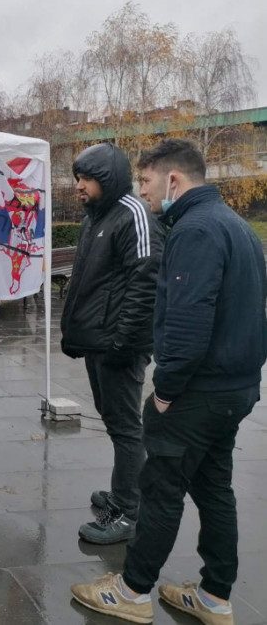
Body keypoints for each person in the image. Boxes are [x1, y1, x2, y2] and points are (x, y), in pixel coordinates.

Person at [71, 139, 267, 625]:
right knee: (215, 490)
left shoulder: (195, 230)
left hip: (196, 393)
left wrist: (165, 391)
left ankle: (132, 591)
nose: (142, 191)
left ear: (172, 179)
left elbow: (186, 320)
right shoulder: (237, 226)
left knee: (160, 489)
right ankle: (215, 597)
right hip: (235, 387)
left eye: (146, 181)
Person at [60, 142, 164, 544]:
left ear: (108, 179)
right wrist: (76, 335)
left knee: (124, 426)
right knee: (114, 420)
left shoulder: (133, 214)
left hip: (119, 346)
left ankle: (127, 511)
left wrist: (124, 344)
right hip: (100, 343)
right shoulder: (97, 216)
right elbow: (91, 282)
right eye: (78, 178)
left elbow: (147, 283)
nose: (79, 186)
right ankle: (125, 489)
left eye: (87, 178)